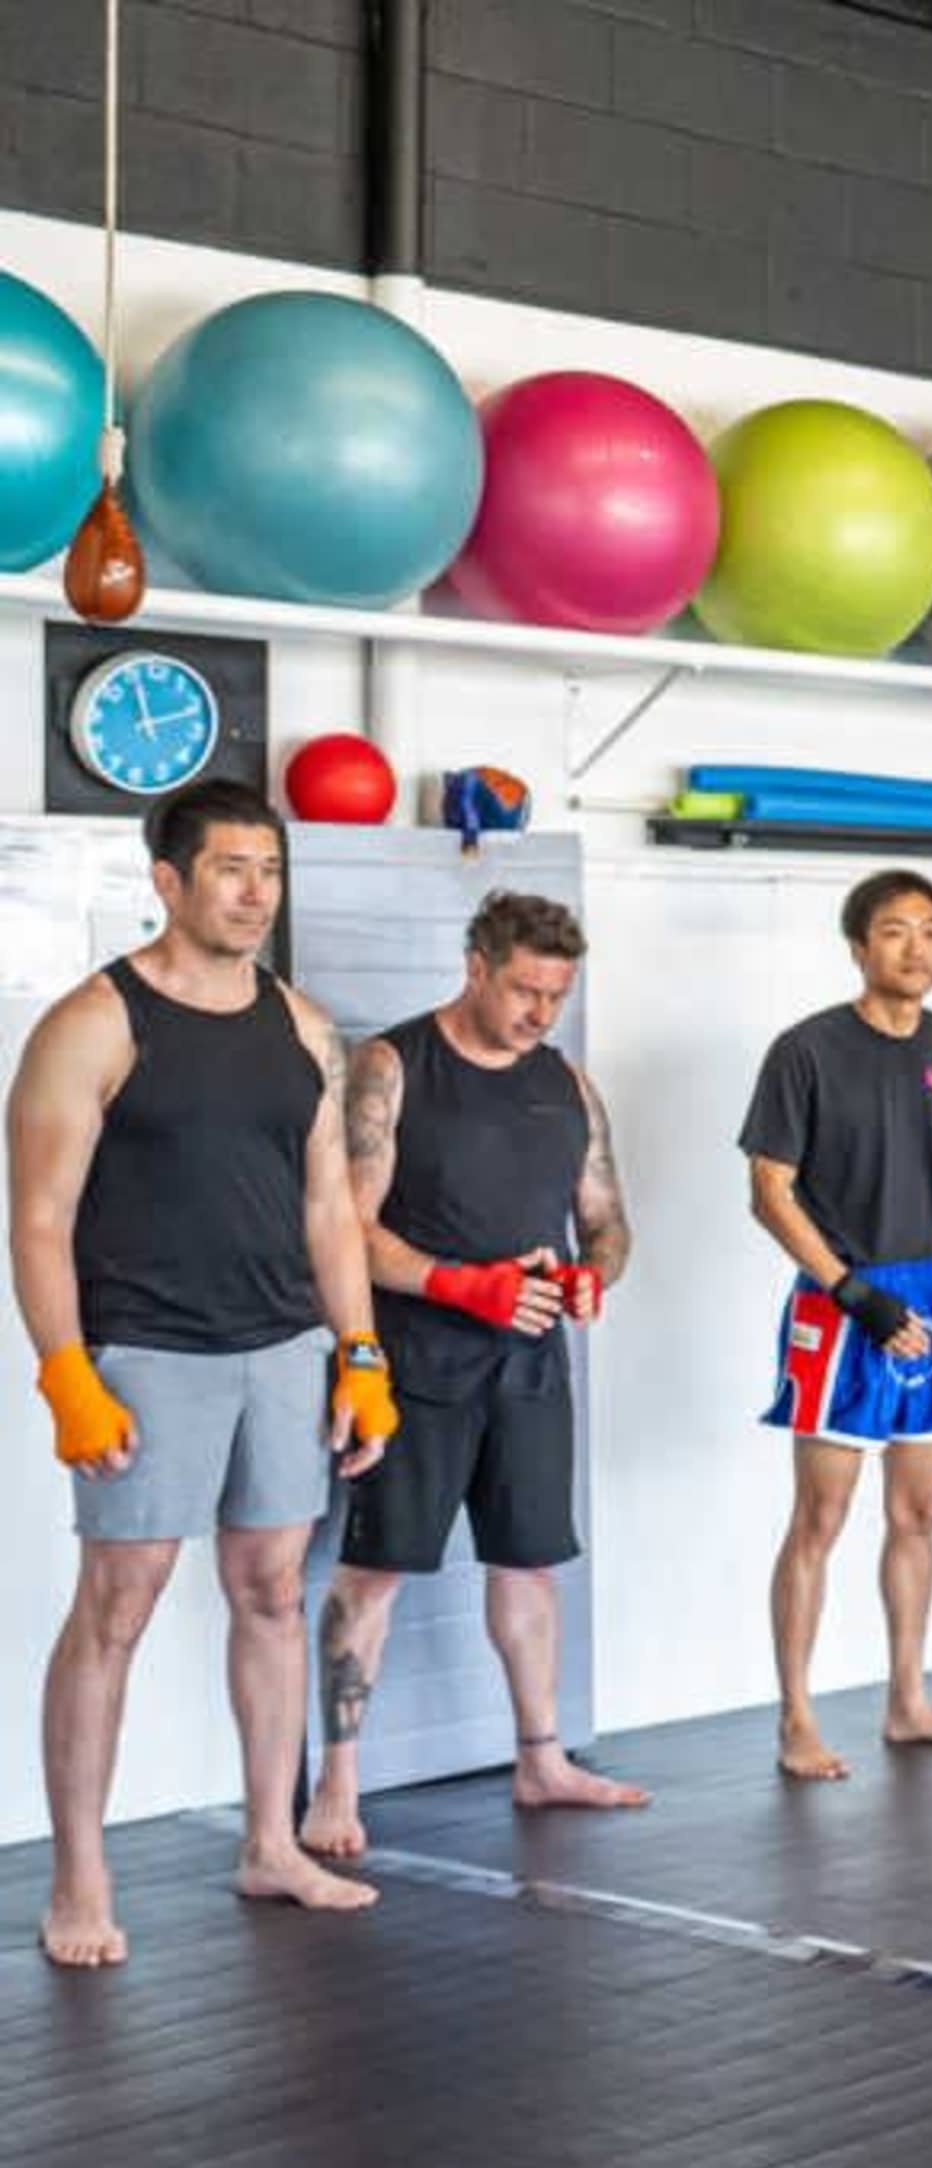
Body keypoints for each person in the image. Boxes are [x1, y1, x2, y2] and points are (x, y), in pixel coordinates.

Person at [8, 781, 396, 1964]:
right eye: (229, 869)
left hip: (283, 1348)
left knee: (274, 1591)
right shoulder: (95, 1022)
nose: (253, 892)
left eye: (268, 871)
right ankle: (81, 1878)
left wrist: (361, 1353)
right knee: (117, 1606)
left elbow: (330, 1208)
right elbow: (37, 1218)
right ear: (168, 881)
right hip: (148, 1354)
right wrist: (67, 1371)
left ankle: (270, 1844)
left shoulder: (301, 1026)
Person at [301, 893, 644, 1863]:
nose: (541, 1012)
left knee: (529, 1562)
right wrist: (462, 1285)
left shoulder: (567, 1085)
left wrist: (590, 1276)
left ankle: (542, 1757)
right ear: (476, 967)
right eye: (526, 990)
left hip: (531, 1363)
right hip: (418, 1365)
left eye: (558, 994)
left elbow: (608, 1219)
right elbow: (346, 1232)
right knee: (373, 1574)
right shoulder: (392, 1068)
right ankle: (335, 1786)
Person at [741, 869, 932, 1779]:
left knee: (919, 1510)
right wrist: (853, 1292)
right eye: (895, 931)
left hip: (927, 1294)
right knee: (821, 1514)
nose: (916, 948)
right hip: (839, 1299)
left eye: (931, 930)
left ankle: (908, 1700)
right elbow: (769, 1193)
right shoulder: (807, 1049)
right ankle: (797, 1719)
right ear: (860, 946)